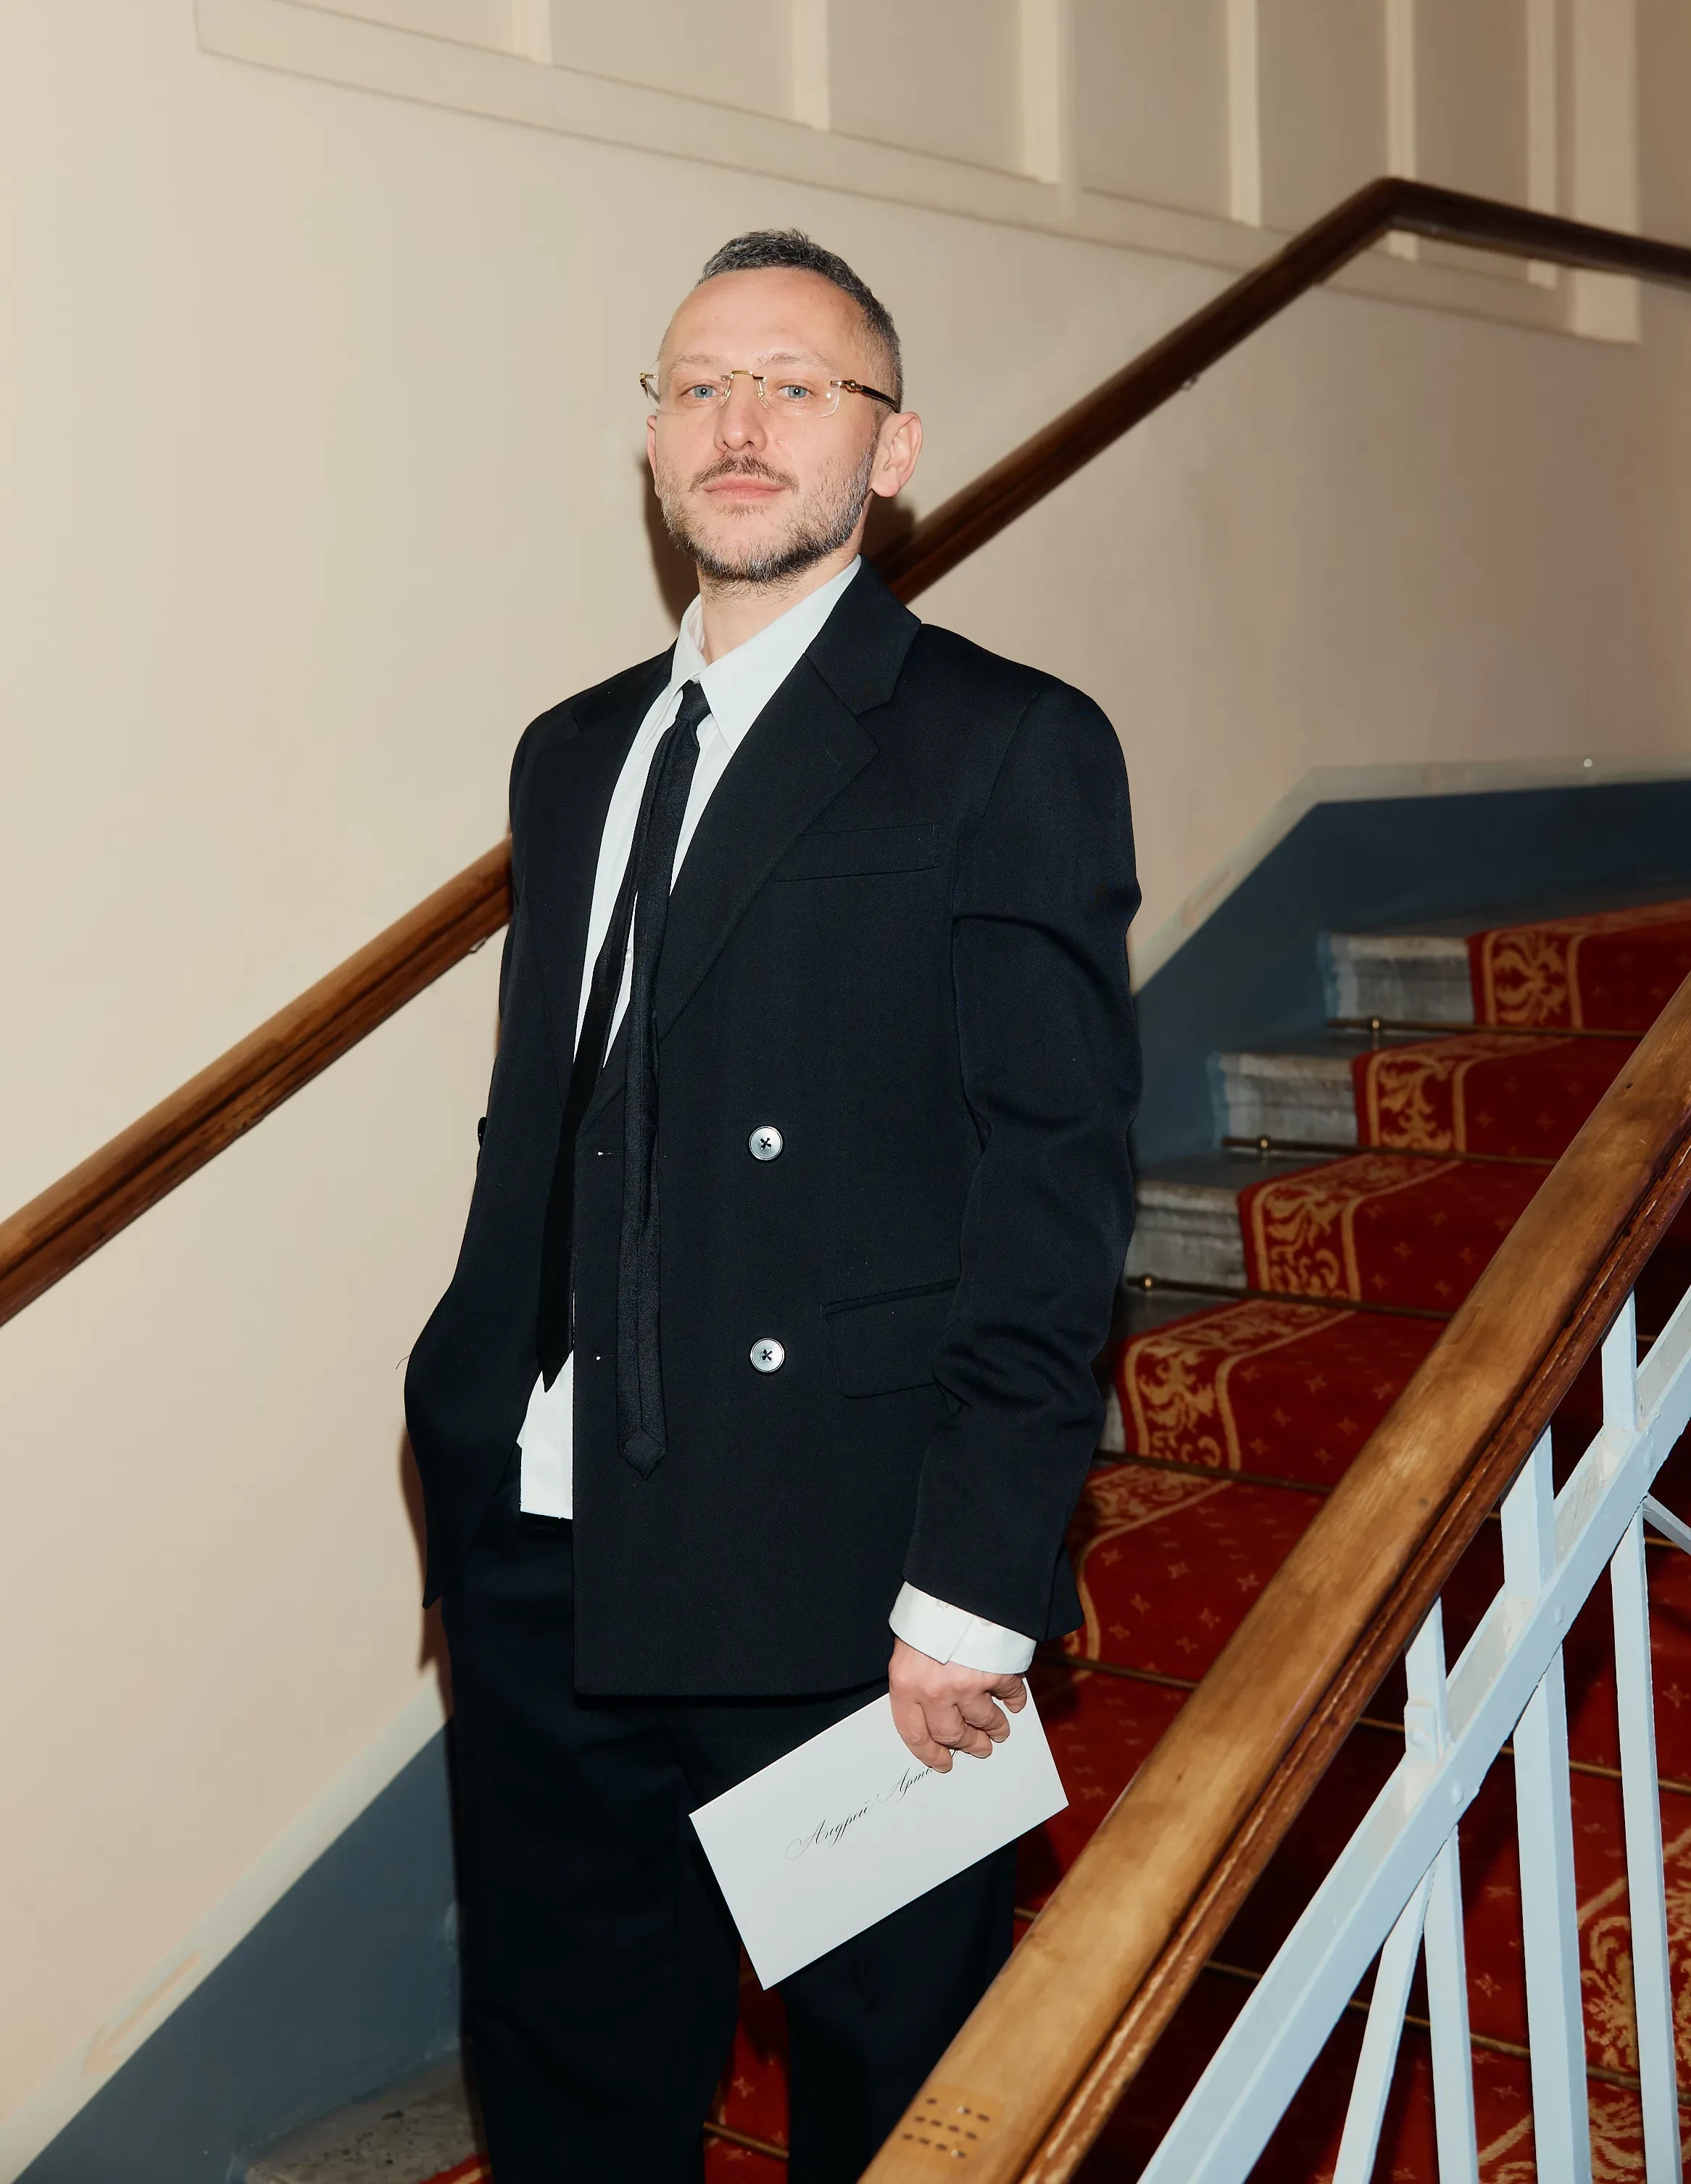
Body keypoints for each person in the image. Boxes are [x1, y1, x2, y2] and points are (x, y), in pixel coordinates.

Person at [404, 230, 1139, 2184]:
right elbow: (546, 1129)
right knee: (566, 2069)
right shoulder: (574, 754)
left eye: (797, 386)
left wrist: (975, 1586)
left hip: (840, 1569)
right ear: (651, 440)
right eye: (698, 385)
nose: (740, 423)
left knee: (898, 2099)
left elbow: (1052, 1193)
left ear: (890, 449)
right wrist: (461, 1407)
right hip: (539, 1538)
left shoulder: (1005, 743)